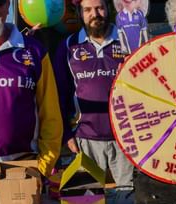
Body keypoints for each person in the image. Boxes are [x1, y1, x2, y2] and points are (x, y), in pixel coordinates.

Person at [54, 0, 133, 188]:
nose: (94, 14)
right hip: (86, 139)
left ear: (108, 9)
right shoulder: (68, 46)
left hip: (128, 139)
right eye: (87, 10)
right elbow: (60, 95)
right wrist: (66, 134)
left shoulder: (129, 40)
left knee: (129, 202)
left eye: (99, 8)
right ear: (80, 14)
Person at [0, 0, 62, 179]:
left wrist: (43, 166)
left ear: (9, 6)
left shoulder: (34, 51)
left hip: (23, 168)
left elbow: (50, 113)